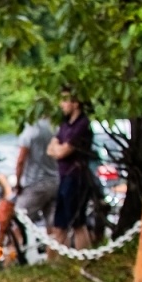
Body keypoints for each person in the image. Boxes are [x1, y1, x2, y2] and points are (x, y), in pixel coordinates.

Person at [45, 87, 96, 250]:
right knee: (59, 223)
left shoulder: (82, 124)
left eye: (65, 100)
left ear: (76, 103)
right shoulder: (65, 124)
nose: (62, 104)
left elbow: (62, 152)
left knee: (77, 222)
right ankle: (59, 258)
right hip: (64, 177)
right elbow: (51, 148)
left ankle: (83, 256)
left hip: (77, 178)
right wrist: (59, 148)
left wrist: (59, 149)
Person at [13, 114, 58, 226]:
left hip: (35, 184)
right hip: (55, 182)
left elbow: (21, 160)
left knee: (19, 218)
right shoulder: (56, 128)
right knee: (53, 224)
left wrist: (18, 183)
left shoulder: (31, 130)